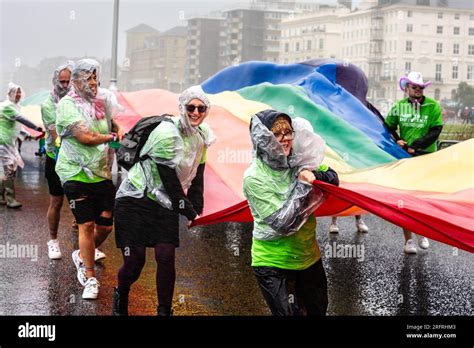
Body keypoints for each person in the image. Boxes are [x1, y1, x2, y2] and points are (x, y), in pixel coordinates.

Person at [112, 86, 215, 316]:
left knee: (166, 256)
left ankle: (164, 311)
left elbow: (197, 177)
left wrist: (197, 210)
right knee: (134, 262)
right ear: (182, 108)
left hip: (164, 202)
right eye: (191, 107)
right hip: (134, 199)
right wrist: (188, 212)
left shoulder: (202, 137)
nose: (196, 112)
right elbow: (170, 181)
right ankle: (121, 295)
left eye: (201, 108)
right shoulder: (167, 133)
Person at [243, 109, 339, 316]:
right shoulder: (254, 177)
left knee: (317, 312)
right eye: (277, 134)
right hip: (272, 263)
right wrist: (304, 186)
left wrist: (314, 173)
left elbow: (333, 178)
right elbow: (283, 224)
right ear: (263, 139)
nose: (285, 138)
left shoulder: (299, 160)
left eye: (288, 132)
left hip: (308, 257)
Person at [55, 59, 122, 299]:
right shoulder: (66, 105)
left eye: (95, 77)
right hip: (75, 172)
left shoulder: (102, 102)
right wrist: (110, 136)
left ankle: (83, 254)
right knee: (86, 224)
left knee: (105, 226)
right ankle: (89, 276)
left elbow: (113, 122)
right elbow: (85, 136)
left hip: (100, 172)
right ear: (75, 81)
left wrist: (117, 128)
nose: (93, 82)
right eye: (87, 77)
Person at [384, 71, 443, 254]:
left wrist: (415, 147)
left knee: (422, 197)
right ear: (407, 88)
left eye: (421, 87)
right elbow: (387, 127)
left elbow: (436, 131)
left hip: (426, 157)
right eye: (414, 87)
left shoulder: (432, 106)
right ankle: (408, 240)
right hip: (405, 159)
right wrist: (397, 140)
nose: (418, 90)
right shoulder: (399, 106)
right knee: (406, 199)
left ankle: (422, 232)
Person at [42, 62, 74, 259]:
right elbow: (55, 134)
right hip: (55, 157)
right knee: (56, 200)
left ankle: (85, 247)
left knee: (80, 201)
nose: (64, 84)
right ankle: (53, 241)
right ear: (55, 80)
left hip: (74, 159)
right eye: (61, 81)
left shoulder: (76, 101)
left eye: (68, 81)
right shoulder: (48, 104)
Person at [0, 83, 43, 208]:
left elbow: (17, 126)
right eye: (15, 92)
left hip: (7, 141)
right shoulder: (8, 106)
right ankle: (10, 199)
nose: (18, 95)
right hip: (3, 142)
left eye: (19, 92)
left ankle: (2, 197)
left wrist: (30, 133)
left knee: (4, 169)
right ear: (9, 93)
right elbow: (21, 119)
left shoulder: (14, 106)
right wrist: (36, 127)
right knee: (8, 170)